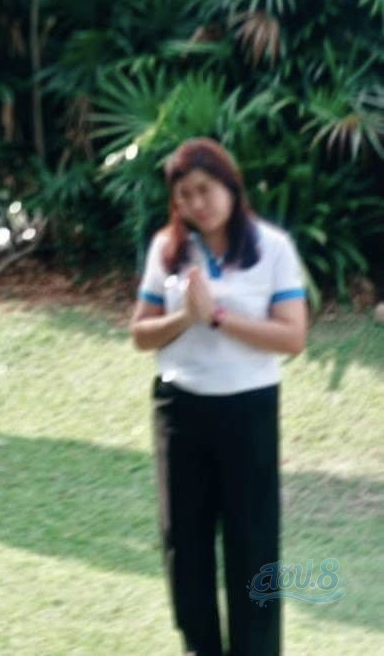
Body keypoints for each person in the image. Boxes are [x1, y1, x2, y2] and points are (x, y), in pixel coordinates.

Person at [130, 138, 308, 656]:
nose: (196, 203)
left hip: (248, 410)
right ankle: (199, 646)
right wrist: (185, 317)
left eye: (205, 190)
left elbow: (292, 336)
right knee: (184, 541)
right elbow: (141, 333)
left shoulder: (273, 248)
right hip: (180, 410)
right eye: (184, 195)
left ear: (231, 186)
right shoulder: (168, 249)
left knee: (253, 542)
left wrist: (218, 318)